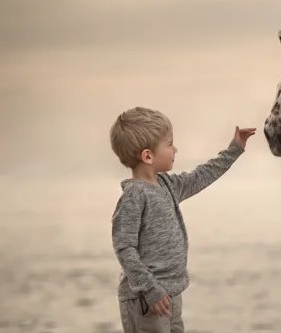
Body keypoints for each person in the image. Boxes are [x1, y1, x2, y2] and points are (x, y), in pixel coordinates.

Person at [109, 106, 256, 333]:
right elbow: (124, 248)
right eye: (169, 144)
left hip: (170, 294)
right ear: (148, 156)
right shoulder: (133, 197)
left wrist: (234, 149)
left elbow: (202, 175)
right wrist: (150, 290)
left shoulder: (167, 184)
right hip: (146, 299)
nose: (175, 149)